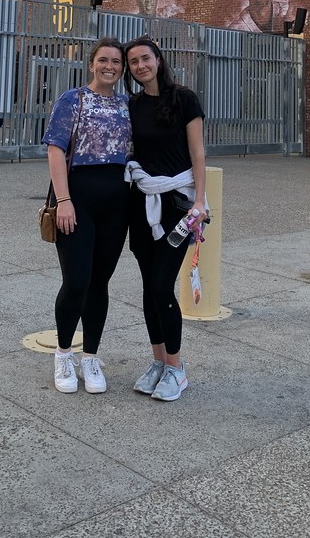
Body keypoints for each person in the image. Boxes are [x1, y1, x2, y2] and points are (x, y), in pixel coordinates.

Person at [42, 37, 131, 395]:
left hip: (116, 201)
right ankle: (64, 352)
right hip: (77, 198)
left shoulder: (128, 104)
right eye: (104, 60)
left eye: (117, 62)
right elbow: (55, 150)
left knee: (99, 283)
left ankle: (91, 356)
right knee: (77, 280)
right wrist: (64, 200)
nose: (110, 66)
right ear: (91, 64)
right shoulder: (72, 99)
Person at [124, 36, 208, 401]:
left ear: (158, 60)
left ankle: (176, 368)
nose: (140, 66)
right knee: (147, 288)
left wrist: (200, 202)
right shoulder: (133, 105)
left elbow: (198, 152)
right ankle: (157, 361)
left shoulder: (184, 99)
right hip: (141, 202)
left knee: (162, 287)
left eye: (146, 58)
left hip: (177, 204)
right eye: (133, 62)